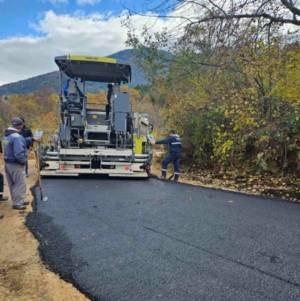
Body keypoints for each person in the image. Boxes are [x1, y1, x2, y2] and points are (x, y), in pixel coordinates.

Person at [3, 117, 38, 210]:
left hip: (8, 163)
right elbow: (18, 153)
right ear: (21, 126)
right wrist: (23, 162)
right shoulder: (17, 137)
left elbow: (15, 144)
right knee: (20, 183)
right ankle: (18, 203)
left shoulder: (7, 136)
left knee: (12, 184)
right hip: (16, 164)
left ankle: (17, 200)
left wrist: (31, 139)